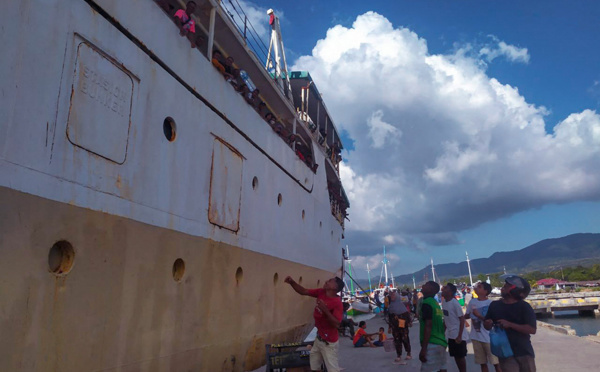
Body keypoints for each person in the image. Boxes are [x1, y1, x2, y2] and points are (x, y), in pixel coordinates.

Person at [285, 276, 344, 372]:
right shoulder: (321, 292)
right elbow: (303, 291)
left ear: (335, 287)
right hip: (319, 339)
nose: (326, 281)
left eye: (330, 281)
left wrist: (325, 310)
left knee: (333, 370)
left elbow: (337, 324)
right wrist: (292, 282)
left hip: (329, 343)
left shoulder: (337, 303)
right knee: (314, 367)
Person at [484, 275, 536, 372]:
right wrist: (487, 323)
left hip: (523, 352)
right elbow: (486, 326)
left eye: (506, 286)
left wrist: (510, 325)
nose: (503, 288)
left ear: (514, 290)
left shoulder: (524, 306)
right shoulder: (494, 305)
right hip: (505, 352)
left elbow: (532, 329)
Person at [466, 282, 501, 372]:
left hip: (489, 338)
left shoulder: (490, 304)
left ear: (486, 291)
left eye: (479, 287)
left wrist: (478, 315)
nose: (476, 288)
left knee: (496, 362)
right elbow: (467, 315)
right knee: (482, 363)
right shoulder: (472, 302)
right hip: (476, 337)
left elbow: (493, 321)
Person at [419, 281, 448, 372]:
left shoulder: (426, 303)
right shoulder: (435, 304)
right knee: (441, 368)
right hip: (441, 342)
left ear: (431, 289)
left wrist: (424, 349)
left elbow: (428, 325)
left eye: (426, 285)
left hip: (432, 343)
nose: (423, 285)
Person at [441, 283, 467, 372]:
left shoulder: (454, 303)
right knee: (456, 356)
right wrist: (443, 332)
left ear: (451, 292)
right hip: (450, 335)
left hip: (458, 335)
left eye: (445, 288)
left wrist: (459, 335)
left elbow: (462, 319)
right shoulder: (444, 302)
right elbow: (446, 318)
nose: (443, 289)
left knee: (460, 357)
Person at [388, 290, 412, 364]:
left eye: (393, 295)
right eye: (391, 295)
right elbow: (389, 317)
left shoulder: (401, 305)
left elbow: (407, 315)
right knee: (397, 340)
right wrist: (389, 326)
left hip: (403, 325)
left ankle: (408, 353)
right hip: (394, 326)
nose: (392, 297)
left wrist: (409, 322)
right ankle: (399, 355)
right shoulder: (390, 306)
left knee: (405, 339)